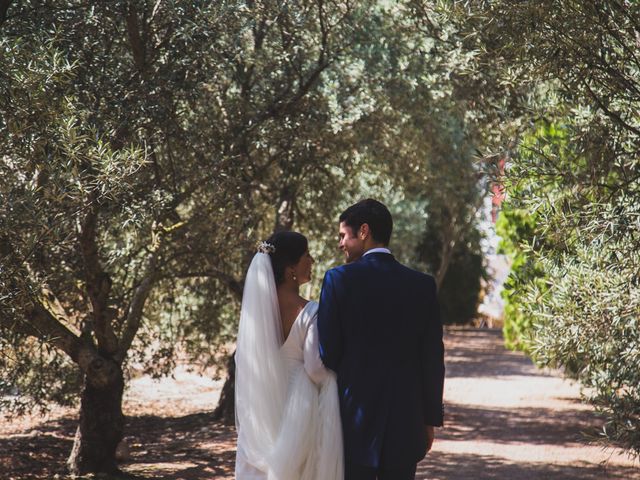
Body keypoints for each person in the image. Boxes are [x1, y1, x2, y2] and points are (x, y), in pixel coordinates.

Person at [317, 199, 445, 480]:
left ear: (363, 231)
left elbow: (327, 352)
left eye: (342, 236)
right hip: (406, 419)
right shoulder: (422, 285)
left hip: (353, 419)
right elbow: (432, 359)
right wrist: (430, 419)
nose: (340, 244)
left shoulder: (338, 280)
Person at [234, 231, 344, 480]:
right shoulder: (311, 311)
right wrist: (336, 378)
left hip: (262, 403)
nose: (312, 260)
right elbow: (315, 367)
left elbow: (243, 360)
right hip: (298, 411)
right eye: (306, 255)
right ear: (289, 270)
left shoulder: (256, 313)